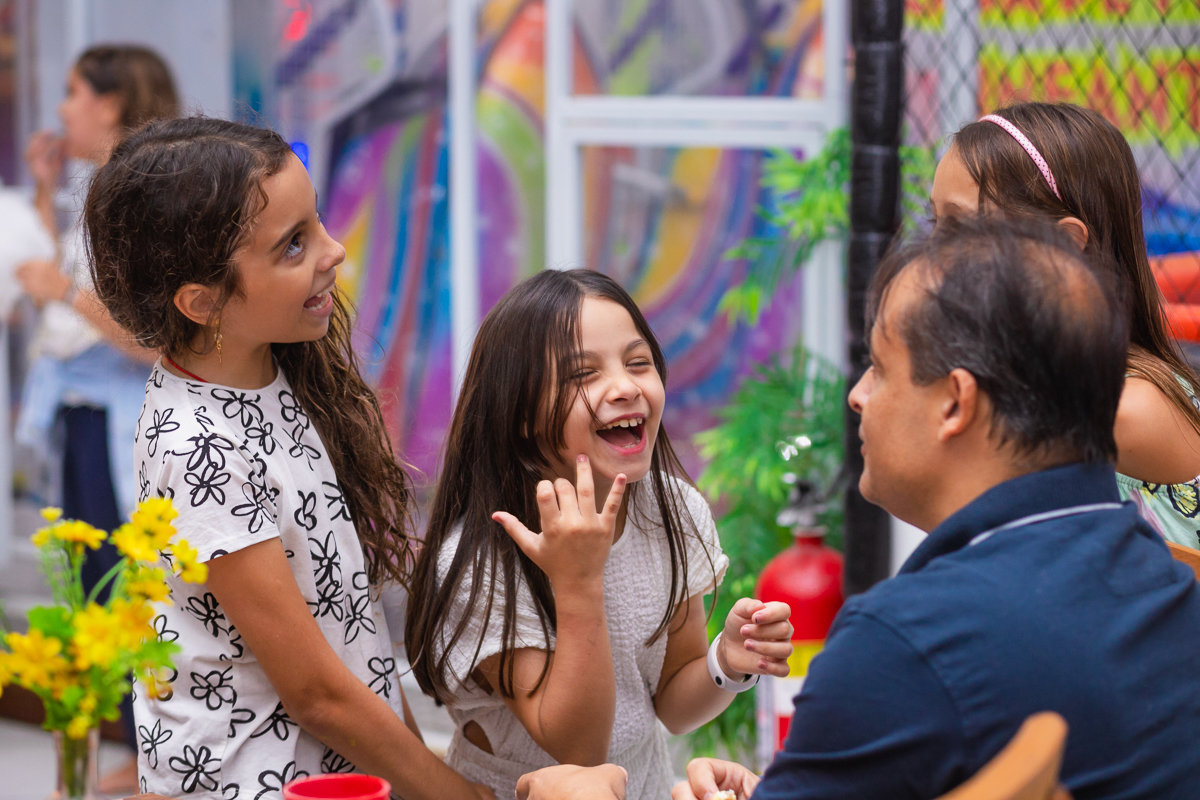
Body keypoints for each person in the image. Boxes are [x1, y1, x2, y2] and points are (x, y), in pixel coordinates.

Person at [521, 216, 1200, 799]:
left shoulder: (907, 646)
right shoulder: (1167, 581)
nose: (857, 395)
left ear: (955, 403)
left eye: (879, 366)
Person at [86, 117, 492, 800]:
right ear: (202, 300)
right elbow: (316, 693)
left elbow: (345, 633)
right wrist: (456, 795)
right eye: (294, 244)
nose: (333, 252)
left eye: (317, 223)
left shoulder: (267, 373)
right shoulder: (201, 447)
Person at [403, 269, 795, 800]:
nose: (626, 386)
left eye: (638, 363)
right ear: (520, 414)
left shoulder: (672, 511)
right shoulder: (484, 560)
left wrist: (726, 662)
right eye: (583, 375)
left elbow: (673, 706)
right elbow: (578, 753)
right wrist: (578, 581)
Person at [16, 44, 178, 793]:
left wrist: (59, 290)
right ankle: (133, 749)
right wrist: (49, 194)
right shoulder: (100, 187)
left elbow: (155, 337)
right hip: (86, 420)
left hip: (130, 425)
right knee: (93, 583)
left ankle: (157, 753)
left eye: (74, 91)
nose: (61, 110)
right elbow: (76, 289)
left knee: (137, 586)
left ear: (111, 105)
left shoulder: (147, 195)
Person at [928, 101, 1200, 548]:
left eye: (958, 226)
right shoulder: (1047, 381)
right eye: (934, 222)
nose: (932, 252)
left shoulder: (1122, 408)